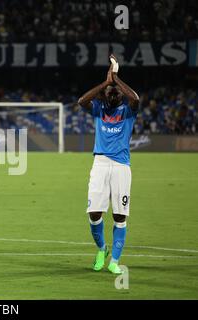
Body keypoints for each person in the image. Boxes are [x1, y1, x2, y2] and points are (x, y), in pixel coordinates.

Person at [77, 55, 139, 274]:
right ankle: (102, 248)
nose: (114, 93)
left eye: (117, 92)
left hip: (122, 166)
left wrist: (116, 78)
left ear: (121, 96)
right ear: (104, 95)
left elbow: (136, 99)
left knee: (120, 215)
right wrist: (106, 82)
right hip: (100, 163)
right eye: (110, 92)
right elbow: (81, 101)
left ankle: (114, 260)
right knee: (94, 212)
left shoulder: (128, 111)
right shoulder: (98, 110)